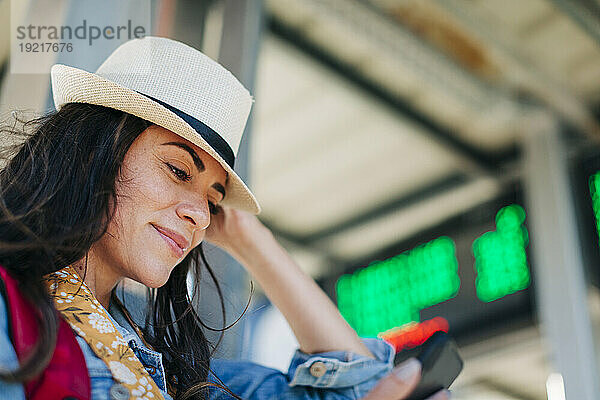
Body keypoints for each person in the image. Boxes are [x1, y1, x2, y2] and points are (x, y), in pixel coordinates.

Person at [0, 36, 450, 400]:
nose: (199, 215)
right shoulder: (11, 310)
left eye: (213, 201)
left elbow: (361, 389)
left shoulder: (180, 379)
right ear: (92, 153)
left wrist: (248, 239)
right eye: (178, 170)